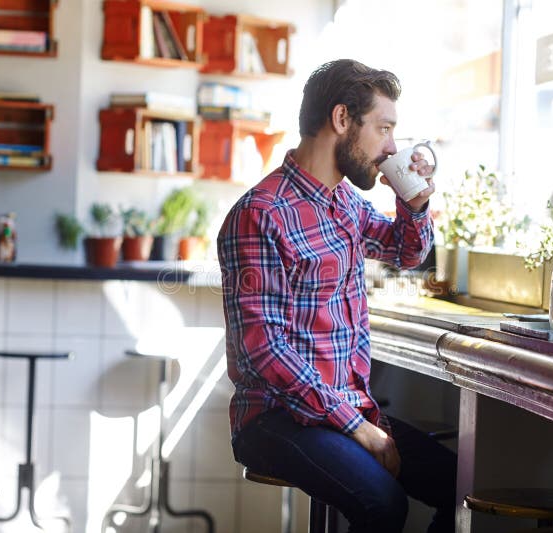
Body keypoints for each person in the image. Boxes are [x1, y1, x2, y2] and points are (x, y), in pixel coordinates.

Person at [217, 59, 457, 532]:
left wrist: (414, 204)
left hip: (345, 408)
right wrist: (355, 427)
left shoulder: (343, 202)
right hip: (274, 417)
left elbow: (405, 252)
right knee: (383, 504)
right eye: (384, 128)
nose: (391, 147)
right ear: (342, 119)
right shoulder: (261, 213)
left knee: (457, 483)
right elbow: (264, 350)